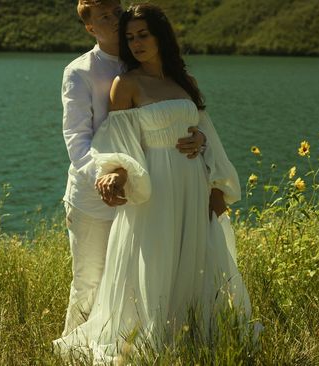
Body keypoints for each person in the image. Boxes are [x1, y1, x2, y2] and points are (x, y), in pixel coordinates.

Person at [53, 3, 251, 362]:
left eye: (141, 33)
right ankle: (118, 344)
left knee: (189, 261)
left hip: (189, 186)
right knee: (99, 277)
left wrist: (213, 175)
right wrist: (112, 172)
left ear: (161, 35)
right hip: (139, 187)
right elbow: (98, 139)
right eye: (129, 36)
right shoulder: (103, 78)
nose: (131, 37)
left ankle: (190, 338)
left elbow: (204, 130)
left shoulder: (182, 81)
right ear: (91, 27)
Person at [61, 0, 206, 337]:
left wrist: (198, 138)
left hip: (146, 196)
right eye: (103, 17)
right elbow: (77, 140)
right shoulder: (79, 71)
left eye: (115, 11)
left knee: (136, 281)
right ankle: (76, 352)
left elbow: (174, 122)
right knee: (91, 282)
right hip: (95, 196)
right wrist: (108, 176)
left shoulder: (150, 66)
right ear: (90, 27)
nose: (113, 20)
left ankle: (136, 347)